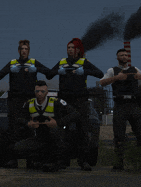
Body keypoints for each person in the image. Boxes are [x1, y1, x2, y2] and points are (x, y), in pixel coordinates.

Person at [46, 38, 104, 171]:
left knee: (82, 130)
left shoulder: (84, 62)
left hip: (80, 100)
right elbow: (49, 75)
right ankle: (61, 160)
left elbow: (99, 73)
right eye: (68, 48)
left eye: (72, 48)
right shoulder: (61, 62)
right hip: (64, 101)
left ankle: (82, 161)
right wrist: (57, 71)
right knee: (62, 130)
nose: (70, 50)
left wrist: (85, 71)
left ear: (78, 50)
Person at [0, 40, 50, 168]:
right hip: (14, 101)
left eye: (26, 49)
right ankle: (12, 160)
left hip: (30, 101)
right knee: (13, 130)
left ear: (28, 51)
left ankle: (31, 161)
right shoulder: (12, 63)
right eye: (21, 49)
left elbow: (49, 73)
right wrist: (9, 69)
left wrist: (36, 69)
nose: (23, 51)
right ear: (18, 51)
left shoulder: (33, 63)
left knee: (31, 129)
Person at [99, 48, 141, 171]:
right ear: (117, 57)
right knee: (118, 135)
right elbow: (102, 82)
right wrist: (116, 78)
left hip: (134, 104)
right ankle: (119, 163)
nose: (124, 56)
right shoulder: (112, 70)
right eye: (121, 55)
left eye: (125, 55)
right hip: (120, 104)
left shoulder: (135, 69)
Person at [15, 80, 81, 172]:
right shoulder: (29, 103)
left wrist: (58, 122)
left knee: (56, 137)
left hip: (56, 137)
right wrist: (28, 123)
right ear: (34, 92)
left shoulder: (56, 102)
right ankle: (38, 161)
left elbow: (75, 114)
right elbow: (18, 117)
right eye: (37, 91)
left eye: (42, 91)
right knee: (19, 147)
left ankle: (57, 162)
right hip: (39, 138)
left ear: (47, 92)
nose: (40, 94)